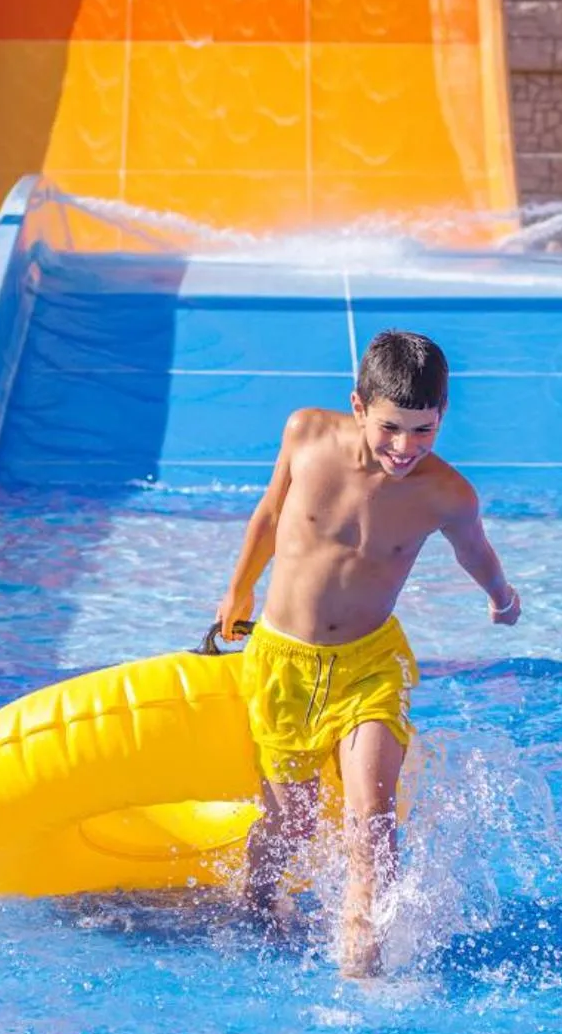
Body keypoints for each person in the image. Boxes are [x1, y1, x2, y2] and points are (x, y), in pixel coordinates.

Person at [215, 330, 520, 977]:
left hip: (368, 666)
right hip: (282, 663)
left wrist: (500, 594)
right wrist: (237, 590)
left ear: (441, 417)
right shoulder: (305, 435)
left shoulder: (447, 494)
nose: (406, 447)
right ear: (357, 405)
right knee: (290, 822)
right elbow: (269, 515)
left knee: (372, 826)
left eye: (423, 430)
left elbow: (475, 551)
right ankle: (257, 898)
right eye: (390, 428)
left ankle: (361, 968)